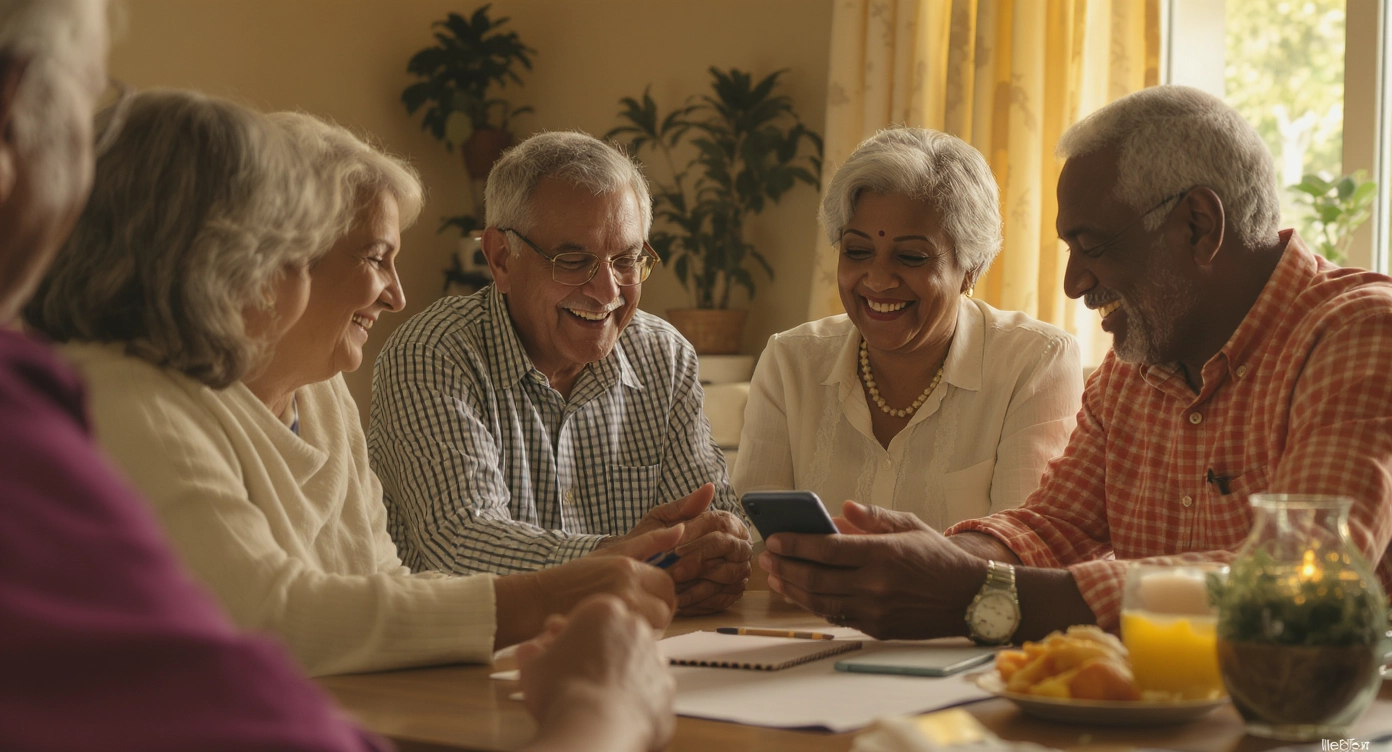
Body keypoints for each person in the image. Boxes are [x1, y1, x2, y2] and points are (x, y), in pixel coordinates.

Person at [26, 96, 685, 679]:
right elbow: (269, 616)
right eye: (376, 258)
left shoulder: (323, 396)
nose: (398, 294)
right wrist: (551, 598)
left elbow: (381, 587)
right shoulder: (126, 397)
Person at [757, 86, 1392, 643]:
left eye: (1091, 246)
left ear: (1198, 225)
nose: (1073, 282)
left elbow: (1301, 576)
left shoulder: (1360, 333)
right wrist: (936, 559)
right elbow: (1055, 525)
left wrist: (978, 594)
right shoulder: (1138, 365)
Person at [371, 130, 752, 615]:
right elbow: (462, 542)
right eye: (573, 261)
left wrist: (722, 548)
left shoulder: (664, 355)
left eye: (627, 259)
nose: (606, 290)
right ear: (500, 259)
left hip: (646, 648)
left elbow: (713, 516)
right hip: (465, 664)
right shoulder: (434, 352)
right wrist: (619, 560)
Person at [733, 128, 1081, 529]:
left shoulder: (1033, 363)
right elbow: (754, 545)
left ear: (970, 269)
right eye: (858, 251)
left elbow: (1023, 552)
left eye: (912, 257)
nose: (878, 280)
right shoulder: (790, 361)